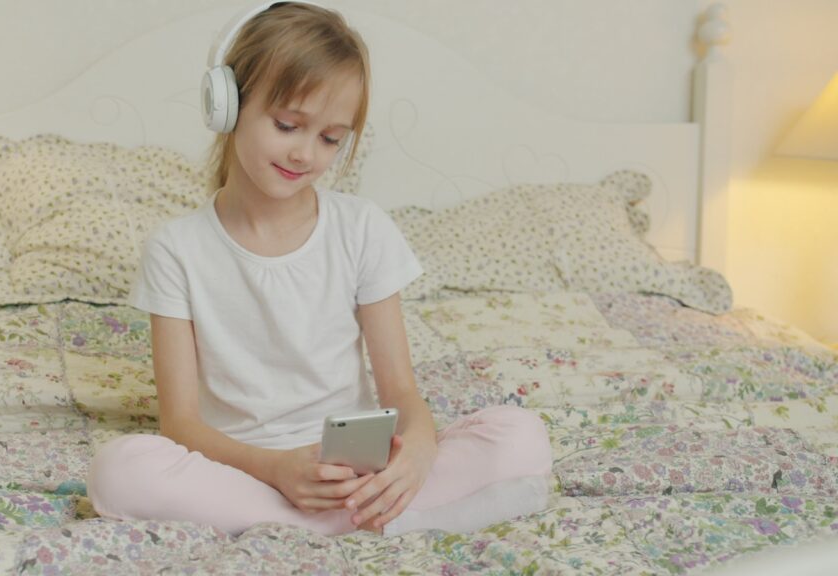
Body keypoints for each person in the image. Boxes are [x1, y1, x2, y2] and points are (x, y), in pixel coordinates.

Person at [86, 1, 553, 537]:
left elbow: (400, 390)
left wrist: (418, 455)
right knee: (120, 470)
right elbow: (181, 425)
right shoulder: (176, 249)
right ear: (228, 104)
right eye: (288, 125)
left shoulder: (361, 228)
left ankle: (325, 520)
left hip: (353, 471)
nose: (306, 154)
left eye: (330, 138)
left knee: (520, 433)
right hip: (245, 472)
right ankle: (379, 523)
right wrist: (277, 470)